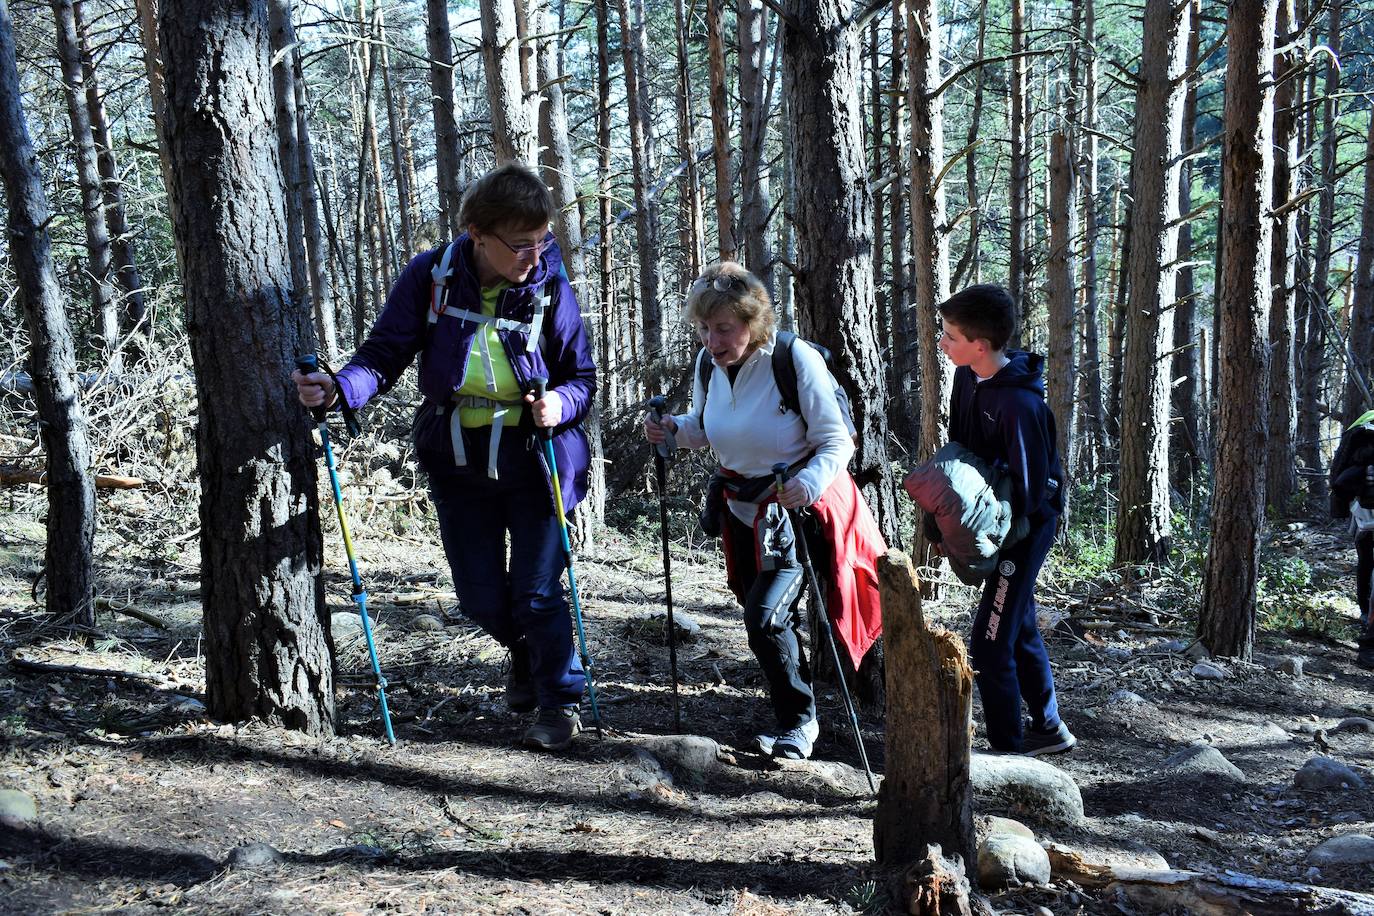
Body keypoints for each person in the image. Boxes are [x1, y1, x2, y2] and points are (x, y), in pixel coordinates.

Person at [293, 164, 596, 751]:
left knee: (536, 593)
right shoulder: (432, 277)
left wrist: (559, 404)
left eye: (542, 239)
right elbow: (384, 354)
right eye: (521, 244)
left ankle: (559, 701)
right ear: (477, 234)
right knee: (480, 598)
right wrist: (338, 388)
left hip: (537, 459)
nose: (535, 254)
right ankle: (531, 654)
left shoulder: (552, 286)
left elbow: (580, 377)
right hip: (457, 459)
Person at [643, 262, 884, 761]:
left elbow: (838, 439)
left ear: (753, 322)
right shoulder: (709, 365)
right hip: (741, 508)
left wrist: (806, 484)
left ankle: (801, 724)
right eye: (705, 329)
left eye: (723, 328)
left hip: (794, 513)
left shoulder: (793, 361)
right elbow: (708, 428)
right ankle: (796, 714)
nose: (712, 340)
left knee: (766, 618)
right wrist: (672, 430)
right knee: (762, 616)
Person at [934, 284, 1073, 756]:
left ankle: (1008, 752)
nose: (942, 343)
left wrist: (997, 536)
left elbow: (1034, 493)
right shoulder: (966, 378)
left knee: (991, 642)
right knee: (1020, 624)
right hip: (988, 520)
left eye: (950, 336)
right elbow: (961, 454)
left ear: (980, 344)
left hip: (1024, 530)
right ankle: (1049, 727)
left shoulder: (1020, 405)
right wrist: (949, 520)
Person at [1328, 410, 1374, 669]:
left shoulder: (1363, 423)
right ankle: (1369, 639)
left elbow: (1340, 479)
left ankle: (1365, 616)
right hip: (1365, 517)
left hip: (1363, 518)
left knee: (1366, 565)